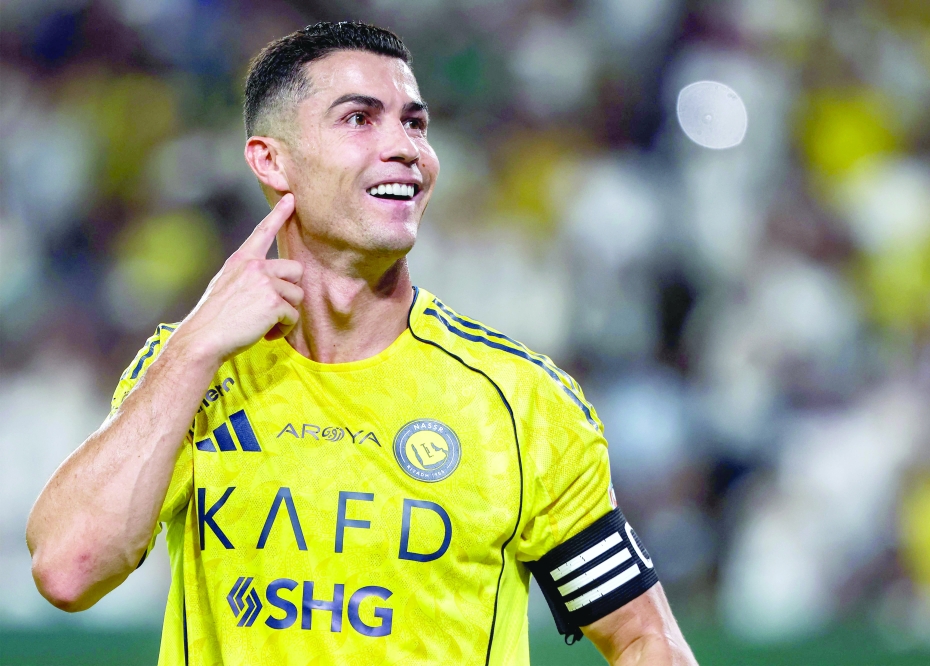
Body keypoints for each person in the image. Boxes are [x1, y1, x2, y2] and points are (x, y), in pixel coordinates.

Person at [26, 21, 698, 666]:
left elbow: (647, 640)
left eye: (414, 122)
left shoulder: (520, 401)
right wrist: (199, 343)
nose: (406, 147)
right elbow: (68, 568)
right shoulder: (191, 372)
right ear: (272, 160)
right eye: (359, 118)